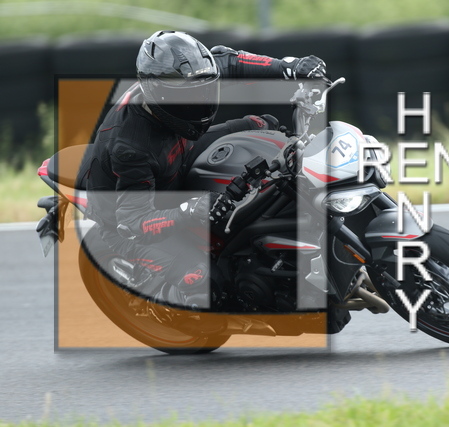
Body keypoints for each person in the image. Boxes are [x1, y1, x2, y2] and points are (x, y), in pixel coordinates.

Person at [82, 30, 327, 310]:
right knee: (204, 284)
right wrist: (188, 210)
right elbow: (132, 222)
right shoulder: (130, 146)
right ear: (159, 94)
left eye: (204, 91)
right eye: (189, 97)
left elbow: (232, 61)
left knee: (262, 126)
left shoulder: (190, 74)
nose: (200, 102)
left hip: (176, 151)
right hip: (127, 218)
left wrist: (290, 68)